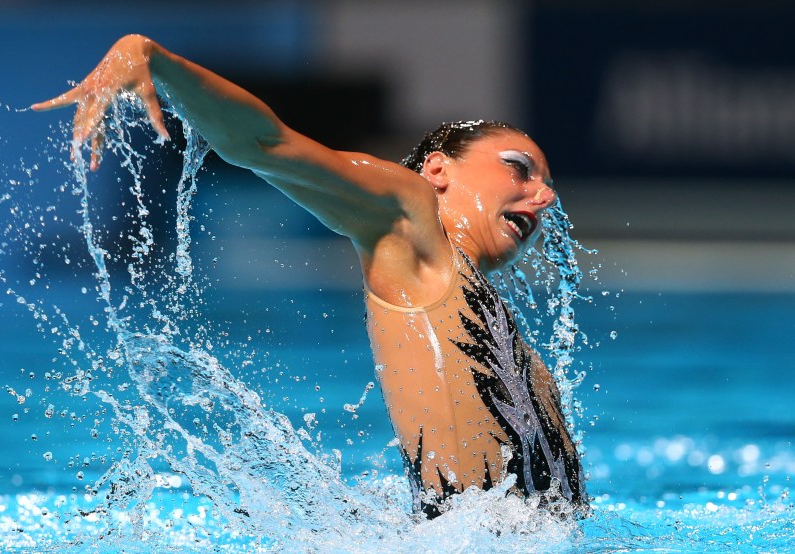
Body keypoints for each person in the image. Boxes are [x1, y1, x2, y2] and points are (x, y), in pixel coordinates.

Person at [32, 34, 586, 518]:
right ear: (439, 169)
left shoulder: (505, 334)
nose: (544, 194)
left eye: (547, 183)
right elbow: (266, 143)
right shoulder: (412, 222)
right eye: (519, 167)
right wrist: (154, 59)